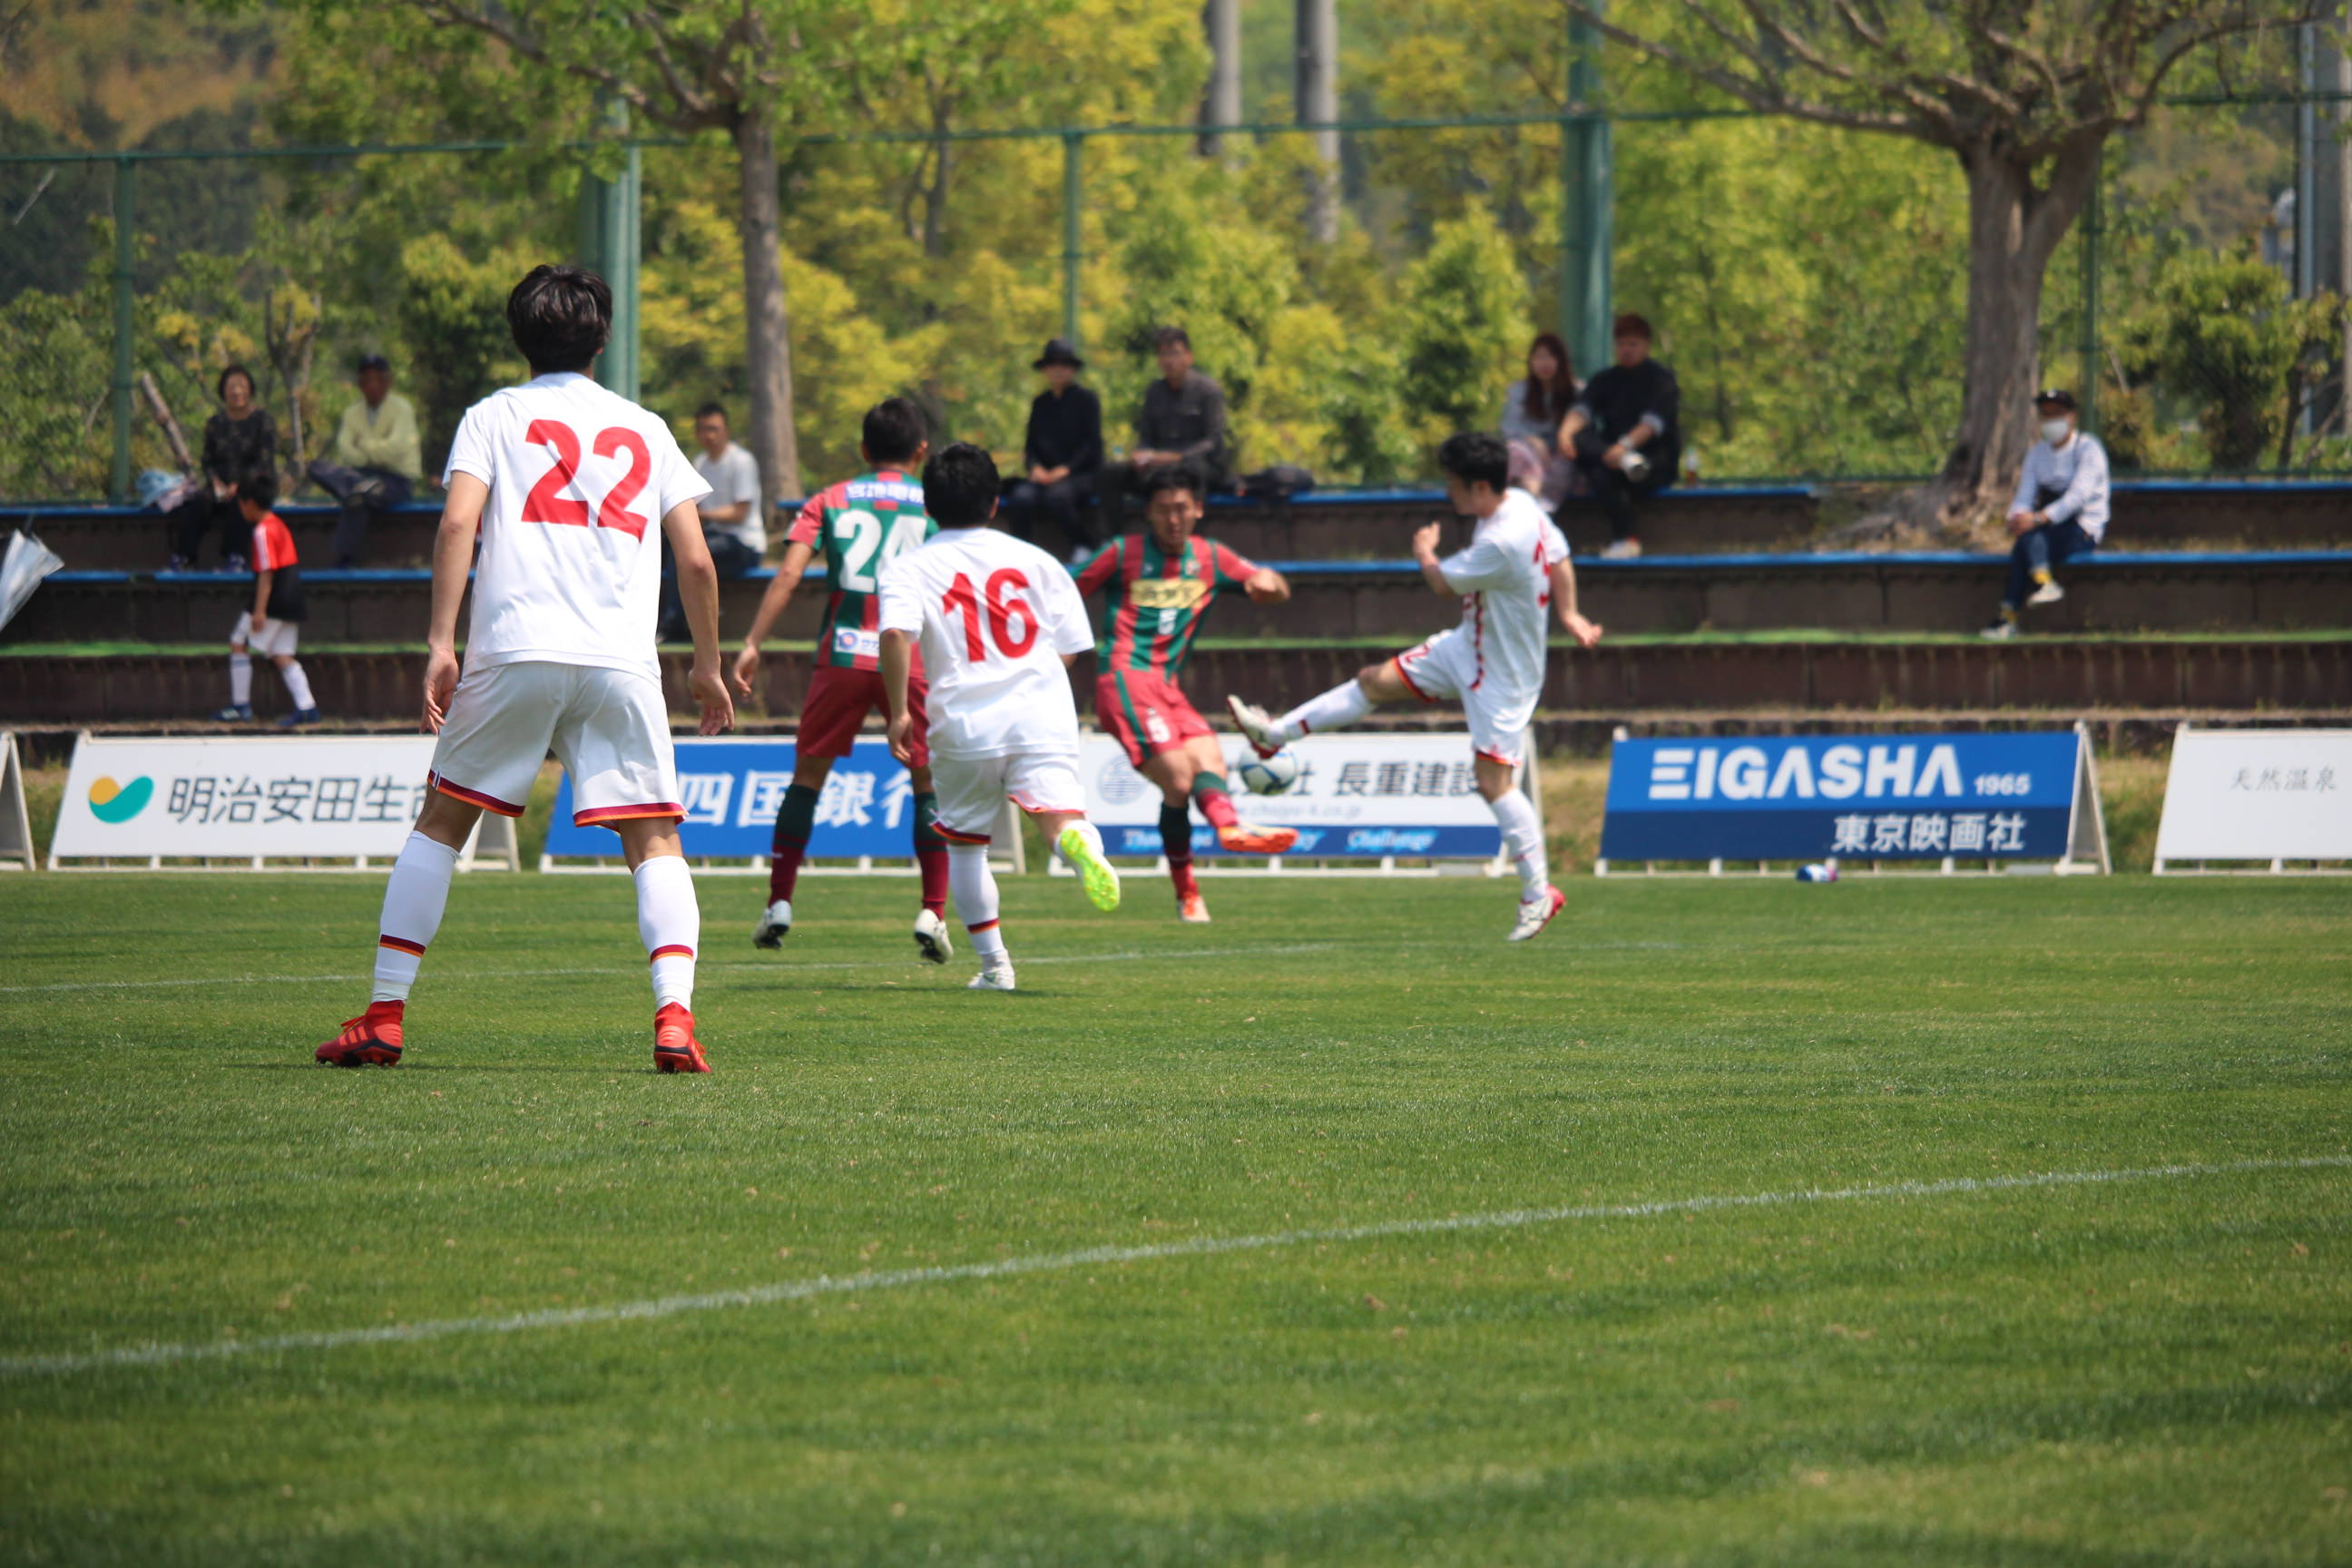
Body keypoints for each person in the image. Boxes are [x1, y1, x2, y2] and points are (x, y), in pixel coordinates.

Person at [314, 264, 734, 1073]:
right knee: (654, 837)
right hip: (619, 659)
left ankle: (385, 1015)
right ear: (601, 340)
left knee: (442, 823)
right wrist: (708, 666)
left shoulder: (493, 416)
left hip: (515, 646)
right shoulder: (646, 427)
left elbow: (456, 528)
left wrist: (442, 643)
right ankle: (675, 1017)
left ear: (520, 337)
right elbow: (697, 562)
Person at [1228, 432, 1603, 943]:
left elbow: (1441, 583)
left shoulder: (1502, 540)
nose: (1447, 491)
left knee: (1494, 783)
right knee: (1373, 681)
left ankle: (1539, 892)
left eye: (1453, 483)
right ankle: (1276, 734)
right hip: (1469, 644)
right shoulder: (1519, 503)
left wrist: (1425, 552)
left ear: (1478, 486)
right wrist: (1570, 613)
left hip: (1504, 674)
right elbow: (1559, 556)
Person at [877, 442, 1121, 993]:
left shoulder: (909, 567)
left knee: (967, 845)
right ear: (994, 502)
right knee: (1058, 818)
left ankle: (996, 968)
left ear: (927, 505)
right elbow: (1072, 647)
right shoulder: (1039, 561)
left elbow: (894, 634)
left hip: (965, 723)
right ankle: (1078, 842)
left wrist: (898, 712)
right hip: (1041, 716)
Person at [730, 397, 952, 959]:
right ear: (921, 451)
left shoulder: (830, 499)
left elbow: (788, 574)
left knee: (807, 778)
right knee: (926, 781)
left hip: (844, 654)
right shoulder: (936, 502)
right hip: (911, 655)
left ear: (863, 449)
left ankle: (779, 902)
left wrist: (753, 641)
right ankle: (934, 911)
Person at [1073, 465, 1300, 922]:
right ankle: (1215, 846)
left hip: (1168, 688)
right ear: (1149, 513)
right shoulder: (1122, 553)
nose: (1173, 519)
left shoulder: (1211, 557)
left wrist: (1268, 584)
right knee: (1179, 779)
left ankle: (1218, 848)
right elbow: (1064, 589)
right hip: (1124, 678)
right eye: (1163, 510)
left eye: (1181, 508)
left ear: (1198, 509)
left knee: (1208, 760)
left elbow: (1277, 588)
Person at [1981, 388, 2110, 641]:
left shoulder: (2088, 449)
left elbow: (2077, 497)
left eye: (2058, 413)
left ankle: (2008, 617)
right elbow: (2024, 495)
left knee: (2027, 542)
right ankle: (2041, 584)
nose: (2051, 419)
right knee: (2026, 539)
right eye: (2046, 414)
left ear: (2072, 416)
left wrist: (2038, 519)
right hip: (2047, 529)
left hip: (2082, 529)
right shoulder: (2037, 453)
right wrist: (2016, 518)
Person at [1559, 313, 1681, 558]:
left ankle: (1626, 537)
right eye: (1622, 344)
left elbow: (1651, 424)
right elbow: (1582, 410)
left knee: (1607, 473)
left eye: (1633, 344)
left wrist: (1625, 446)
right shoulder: (1605, 379)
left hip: (1652, 458)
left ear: (1646, 345)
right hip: (1611, 456)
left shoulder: (1662, 380)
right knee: (1587, 445)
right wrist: (1565, 433)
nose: (1626, 350)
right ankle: (1620, 463)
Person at [1093, 327, 1231, 540]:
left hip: (1198, 465)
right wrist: (1141, 455)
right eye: (1163, 354)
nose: (1169, 360)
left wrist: (1177, 457)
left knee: (1191, 472)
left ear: (1189, 357)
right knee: (1111, 473)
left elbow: (1213, 441)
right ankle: (1110, 542)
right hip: (1160, 467)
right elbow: (1146, 435)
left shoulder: (1208, 390)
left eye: (1174, 353)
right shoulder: (1155, 391)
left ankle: (1191, 542)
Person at [211, 468, 320, 728]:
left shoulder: (263, 531)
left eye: (240, 503)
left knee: (238, 642)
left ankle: (240, 706)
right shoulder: (278, 524)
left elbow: (266, 573)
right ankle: (307, 708)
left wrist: (259, 611)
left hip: (274, 600)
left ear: (249, 503)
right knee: (282, 654)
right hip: (292, 599)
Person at [661, 402, 766, 640]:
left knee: (685, 554)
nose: (708, 435)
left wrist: (702, 516)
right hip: (714, 540)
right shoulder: (700, 463)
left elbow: (739, 513)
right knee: (669, 548)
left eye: (713, 429)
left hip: (744, 545)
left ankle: (674, 624)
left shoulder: (742, 461)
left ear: (726, 430)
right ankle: (677, 621)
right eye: (702, 429)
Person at [308, 354, 424, 567]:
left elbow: (397, 449)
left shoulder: (402, 408)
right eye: (367, 379)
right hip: (361, 475)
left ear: (388, 381)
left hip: (395, 480)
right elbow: (346, 451)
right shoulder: (352, 413)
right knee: (317, 467)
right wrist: (377, 450)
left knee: (357, 498)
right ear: (360, 384)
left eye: (378, 379)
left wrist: (363, 445)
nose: (373, 385)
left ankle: (345, 557)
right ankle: (361, 486)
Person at [1003, 338, 1103, 561]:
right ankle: (1021, 552)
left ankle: (1082, 545)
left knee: (1057, 497)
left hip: (1080, 475)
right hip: (1044, 475)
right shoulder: (1040, 403)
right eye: (1053, 364)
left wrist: (1066, 469)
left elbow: (1092, 445)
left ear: (1073, 369)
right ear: (1045, 369)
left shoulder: (1087, 400)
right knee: (1021, 497)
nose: (1058, 370)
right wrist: (1035, 468)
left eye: (1064, 364)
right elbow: (1031, 445)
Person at [169, 365, 276, 571]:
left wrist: (239, 485)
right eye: (231, 386)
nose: (237, 391)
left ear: (250, 390)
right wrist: (215, 481)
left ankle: (236, 557)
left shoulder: (263, 421)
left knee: (241, 502)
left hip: (254, 485)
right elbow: (207, 461)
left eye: (241, 386)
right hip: (221, 485)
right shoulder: (215, 423)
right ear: (223, 391)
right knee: (199, 502)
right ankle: (184, 556)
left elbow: (264, 461)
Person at [1499, 331, 1580, 512]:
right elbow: (1510, 428)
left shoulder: (1576, 392)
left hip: (1561, 454)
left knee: (1566, 459)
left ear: (1561, 361)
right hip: (1528, 453)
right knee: (1516, 451)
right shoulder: (1519, 391)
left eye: (1551, 357)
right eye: (1539, 357)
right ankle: (1530, 506)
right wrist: (1534, 441)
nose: (1545, 363)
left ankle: (1543, 509)